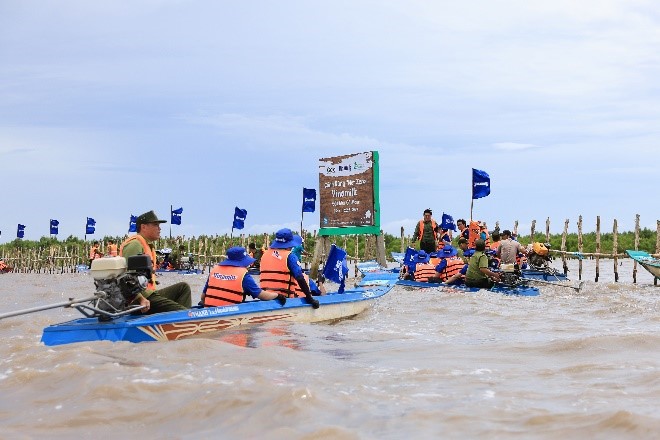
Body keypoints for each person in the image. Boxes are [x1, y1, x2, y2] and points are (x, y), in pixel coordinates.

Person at [119, 210, 192, 314]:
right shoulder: (135, 244)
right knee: (184, 312)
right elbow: (126, 278)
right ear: (143, 227)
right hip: (139, 299)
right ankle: (185, 318)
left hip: (150, 294)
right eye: (155, 225)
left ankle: (176, 320)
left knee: (183, 288)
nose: (159, 228)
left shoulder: (148, 245)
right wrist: (140, 299)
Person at [201, 246, 287, 307]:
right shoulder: (243, 275)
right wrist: (277, 296)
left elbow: (203, 297)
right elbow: (261, 295)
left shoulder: (214, 270)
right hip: (231, 314)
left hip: (209, 310)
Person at [259, 228, 321, 308]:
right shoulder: (290, 256)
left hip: (265, 299)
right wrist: (310, 299)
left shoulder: (265, 255)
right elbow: (300, 278)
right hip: (284, 301)